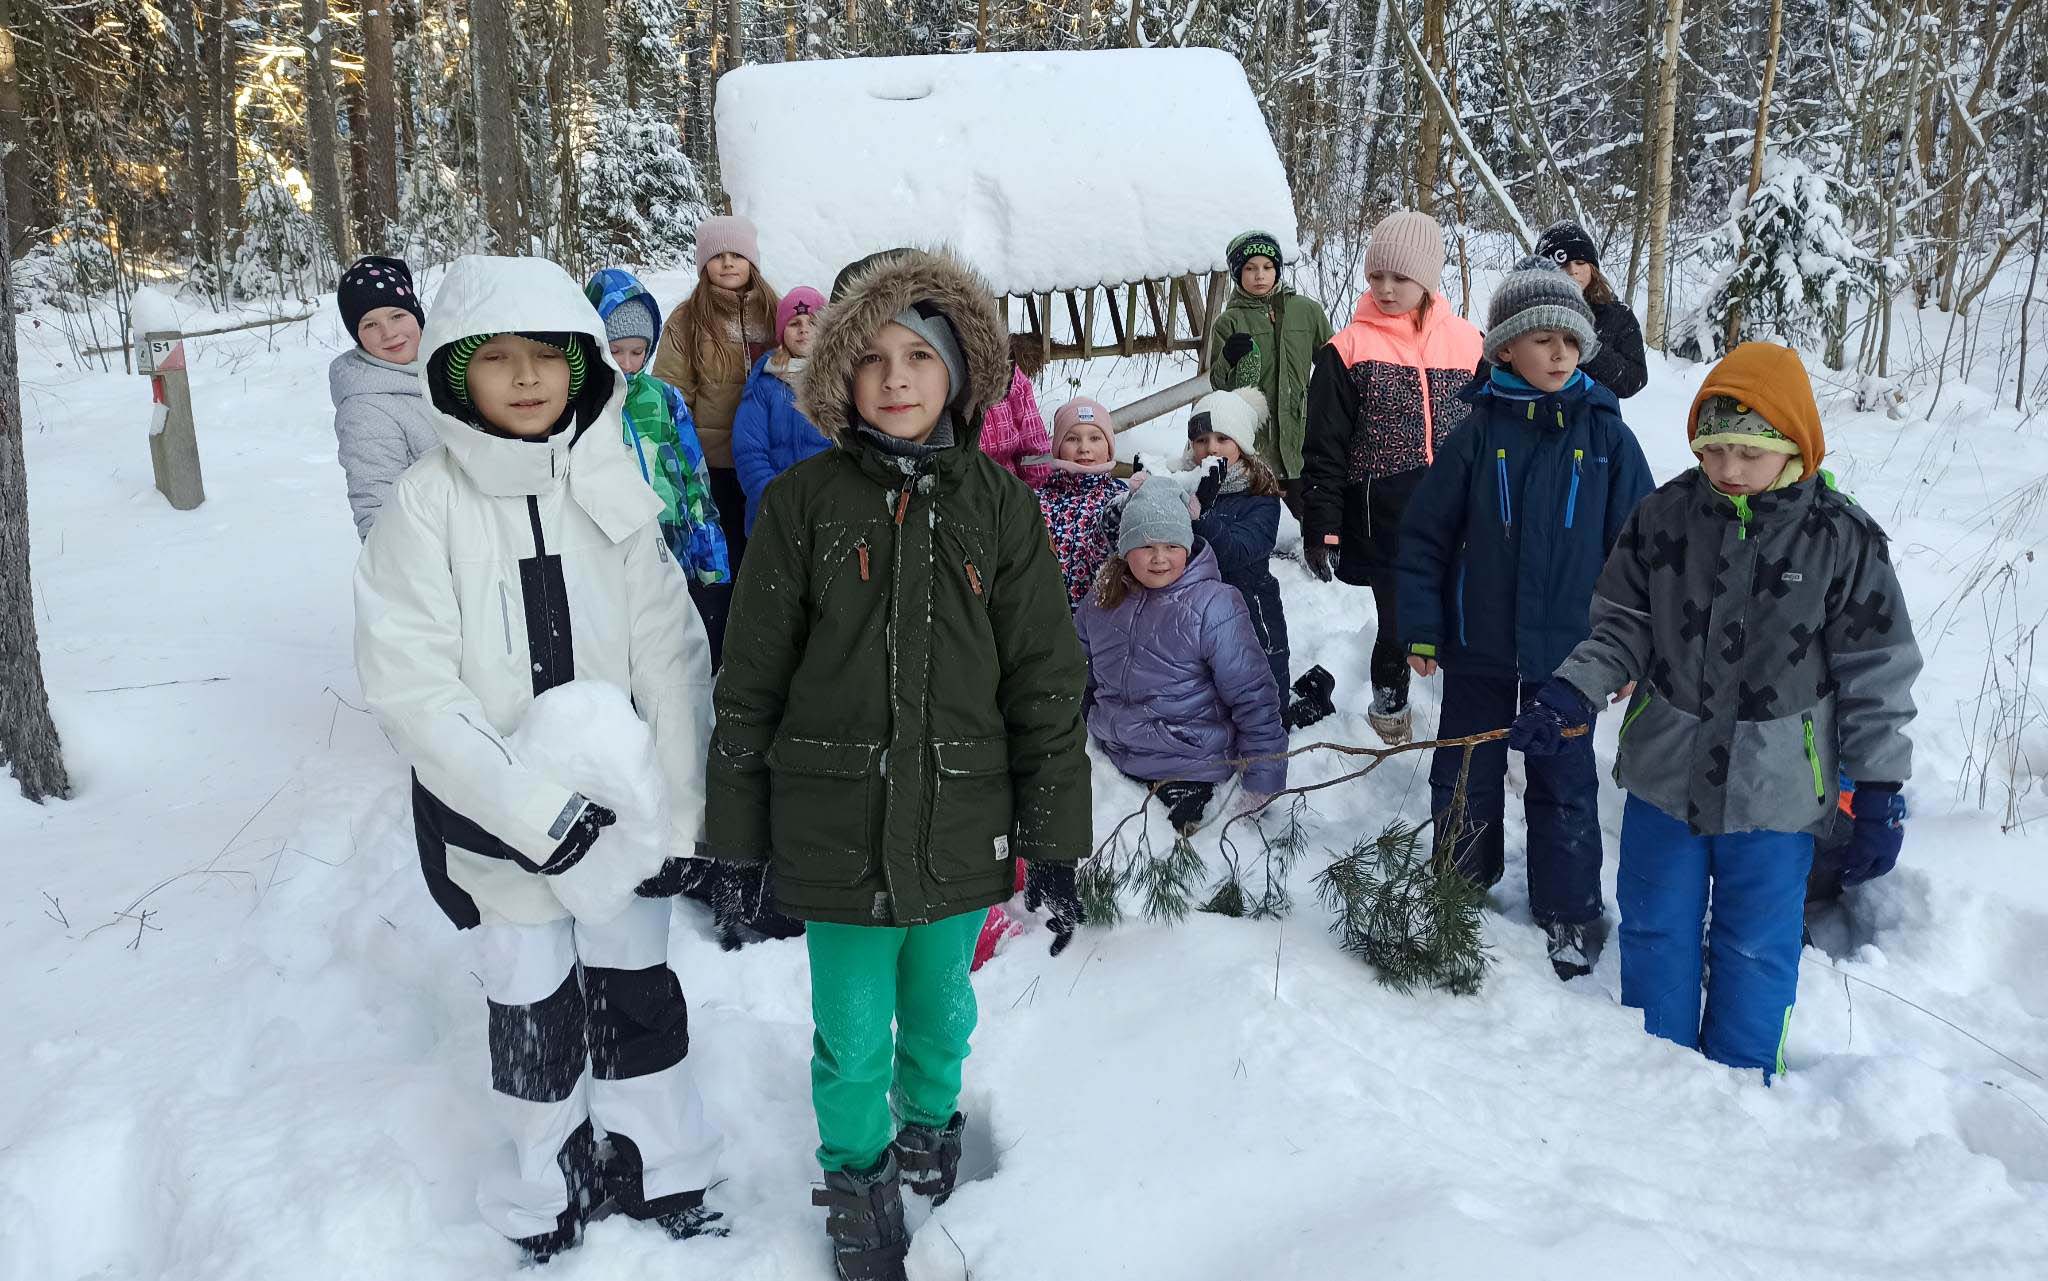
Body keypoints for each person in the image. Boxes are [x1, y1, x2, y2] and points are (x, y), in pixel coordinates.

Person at [705, 248, 1090, 1281]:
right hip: (836, 828)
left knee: (939, 1014)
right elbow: (748, 687)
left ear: (958, 372)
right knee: (848, 1034)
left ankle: (927, 1129)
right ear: (841, 373)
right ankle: (857, 1178)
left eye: (919, 354)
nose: (896, 377)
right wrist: (733, 842)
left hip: (963, 818)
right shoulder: (800, 506)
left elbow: (1045, 683)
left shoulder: (1000, 509)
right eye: (871, 356)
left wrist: (1055, 836)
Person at [353, 255, 725, 1261]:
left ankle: (661, 1165)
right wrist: (529, 815)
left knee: (637, 993)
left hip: (622, 816)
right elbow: (411, 685)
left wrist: (686, 813)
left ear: (582, 367)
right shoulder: (426, 508)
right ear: (451, 374)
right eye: (498, 360)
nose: (525, 379)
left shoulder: (604, 480)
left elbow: (673, 652)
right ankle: (542, 1183)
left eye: (547, 357)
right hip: (493, 822)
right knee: (531, 1011)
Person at [1511, 341, 1920, 1076]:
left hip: (1778, 793)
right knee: (1656, 927)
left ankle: (1741, 1083)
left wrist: (1880, 785)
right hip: (1668, 774)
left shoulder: (1840, 537)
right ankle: (1657, 1071)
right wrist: (1573, 686)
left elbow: (1876, 669)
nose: (1728, 469)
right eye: (1714, 449)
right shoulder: (1665, 516)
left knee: (1757, 944)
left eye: (1748, 452)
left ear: (1794, 444)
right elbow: (1622, 626)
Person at [1396, 256, 1654, 981]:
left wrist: (1631, 652)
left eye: (1570, 341)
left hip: (1571, 657)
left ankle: (1569, 909)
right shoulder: (1478, 433)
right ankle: (1459, 882)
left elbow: (1642, 552)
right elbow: (1425, 536)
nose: (1559, 353)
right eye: (1542, 339)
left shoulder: (1606, 436)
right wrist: (1419, 624)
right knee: (1466, 766)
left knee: (1564, 780)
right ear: (1504, 346)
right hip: (1478, 641)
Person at [1301, 210, 1484, 744]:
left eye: (1399, 278)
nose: (1384, 288)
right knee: (1399, 622)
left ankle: (1470, 716)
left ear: (1428, 279)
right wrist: (1322, 526)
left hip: (1461, 515)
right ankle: (1390, 709)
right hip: (1385, 518)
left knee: (1469, 618)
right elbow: (1324, 449)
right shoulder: (1347, 350)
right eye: (1375, 275)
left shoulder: (1471, 344)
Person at [1077, 479, 1288, 837]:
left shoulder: (1214, 605)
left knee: (1173, 859)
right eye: (1145, 545)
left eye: (1172, 545)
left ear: (1187, 547)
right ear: (1126, 548)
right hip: (1114, 756)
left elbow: (1254, 695)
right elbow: (1076, 675)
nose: (1159, 558)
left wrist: (1262, 782)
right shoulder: (1101, 601)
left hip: (1190, 764)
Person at [585, 267, 732, 593]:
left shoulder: (665, 398)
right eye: (614, 350)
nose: (626, 363)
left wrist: (713, 565)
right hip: (612, 560)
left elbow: (694, 482)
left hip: (674, 551)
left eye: (637, 352)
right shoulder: (584, 404)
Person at [651, 214, 781, 574]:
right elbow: (671, 393)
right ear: (702, 263)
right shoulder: (688, 319)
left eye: (737, 255)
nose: (727, 262)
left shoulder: (774, 312)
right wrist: (681, 457)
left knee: (770, 556)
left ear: (751, 261)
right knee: (728, 555)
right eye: (717, 255)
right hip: (714, 466)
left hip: (768, 460)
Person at [1206, 229, 1334, 517]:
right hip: (1254, 440)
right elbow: (1218, 387)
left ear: (1278, 269)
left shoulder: (1307, 311)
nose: (1260, 276)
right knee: (1259, 516)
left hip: (1300, 436)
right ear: (1238, 274)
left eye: (1267, 267)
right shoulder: (1229, 321)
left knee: (1304, 515)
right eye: (1250, 269)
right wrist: (1227, 358)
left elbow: (1331, 364)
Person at [1185, 387, 1290, 697]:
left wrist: (1202, 517)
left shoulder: (1260, 497)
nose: (1211, 448)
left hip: (1252, 611)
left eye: (1222, 438)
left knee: (1265, 696)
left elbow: (1239, 551)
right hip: (1198, 611)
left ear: (1241, 443)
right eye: (1202, 440)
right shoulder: (1186, 488)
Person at [330, 255, 437, 539]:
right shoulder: (365, 408)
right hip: (443, 556)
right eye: (370, 325)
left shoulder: (454, 367)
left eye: (397, 316)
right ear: (358, 335)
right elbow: (377, 511)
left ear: (416, 315)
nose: (388, 333)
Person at [733, 285, 829, 534]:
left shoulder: (838, 382)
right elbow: (749, 451)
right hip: (773, 517)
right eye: (794, 323)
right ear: (781, 331)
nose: (804, 329)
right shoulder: (765, 383)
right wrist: (773, 498)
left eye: (813, 322)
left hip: (826, 512)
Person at [1533, 220, 1648, 398]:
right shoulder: (1528, 312)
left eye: (1580, 262)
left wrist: (1591, 350)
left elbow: (1634, 380)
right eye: (1563, 265)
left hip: (1595, 417)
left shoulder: (1617, 314)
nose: (1573, 271)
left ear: (1592, 267)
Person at [1038, 396, 1130, 609]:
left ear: (1109, 448)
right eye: (1072, 439)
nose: (1084, 448)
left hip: (1106, 620)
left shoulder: (1121, 498)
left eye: (1095, 438)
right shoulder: (1037, 501)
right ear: (1057, 447)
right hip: (1049, 620)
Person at [977, 333, 1056, 486]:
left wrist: (1036, 496)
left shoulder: (1006, 371)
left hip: (1011, 493)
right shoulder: (937, 379)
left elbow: (1035, 451)